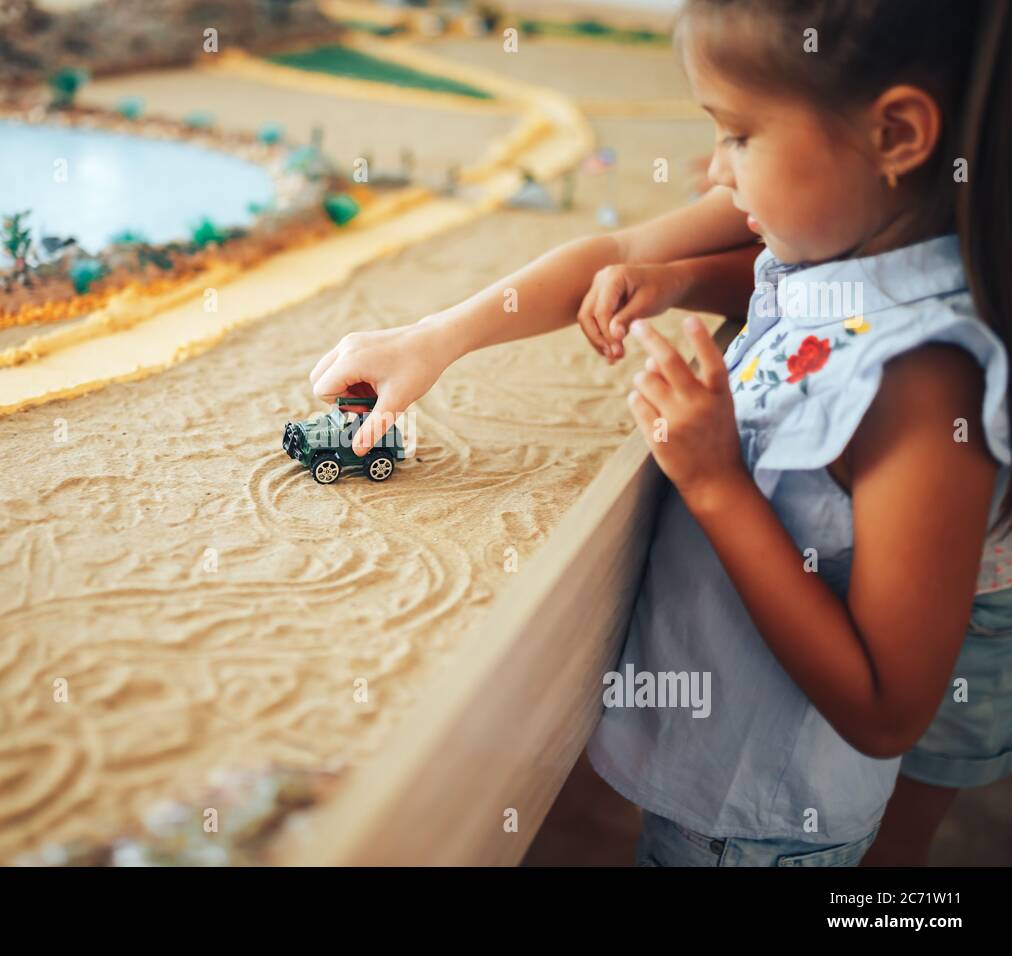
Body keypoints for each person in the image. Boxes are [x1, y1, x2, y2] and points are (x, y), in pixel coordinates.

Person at [310, 0, 1011, 865]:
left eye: (739, 135)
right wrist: (438, 338)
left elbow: (887, 711)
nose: (713, 168)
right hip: (717, 793)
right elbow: (677, 261)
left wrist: (715, 481)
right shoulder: (836, 241)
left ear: (897, 134)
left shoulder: (926, 385)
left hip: (754, 824)